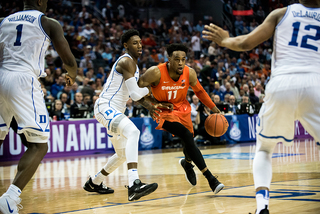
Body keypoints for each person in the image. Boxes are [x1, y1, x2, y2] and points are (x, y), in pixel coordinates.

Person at [203, 1, 320, 213]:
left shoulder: (282, 13)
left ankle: (262, 208)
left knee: (264, 149)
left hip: (283, 82)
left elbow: (245, 44)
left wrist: (225, 40)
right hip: (316, 83)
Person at [0, 0, 77, 213]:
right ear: (41, 1)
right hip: (23, 80)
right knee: (39, 144)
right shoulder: (47, 22)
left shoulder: (3, 21)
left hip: (1, 75)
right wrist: (72, 73)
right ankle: (10, 198)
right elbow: (68, 58)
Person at [83, 29, 161, 201]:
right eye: (135, 43)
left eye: (140, 42)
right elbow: (135, 95)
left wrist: (152, 106)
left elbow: (135, 96)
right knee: (133, 132)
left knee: (122, 155)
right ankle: (134, 183)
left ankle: (95, 182)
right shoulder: (126, 61)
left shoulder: (135, 67)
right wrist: (152, 88)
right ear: (126, 45)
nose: (140, 45)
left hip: (114, 111)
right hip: (106, 106)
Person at [138, 43, 225, 194]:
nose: (180, 63)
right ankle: (210, 178)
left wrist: (213, 108)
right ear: (169, 59)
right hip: (163, 111)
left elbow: (200, 91)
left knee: (189, 140)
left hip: (182, 108)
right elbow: (136, 88)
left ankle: (187, 163)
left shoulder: (189, 73)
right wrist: (153, 103)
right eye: (176, 59)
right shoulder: (155, 72)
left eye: (183, 59)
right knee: (185, 134)